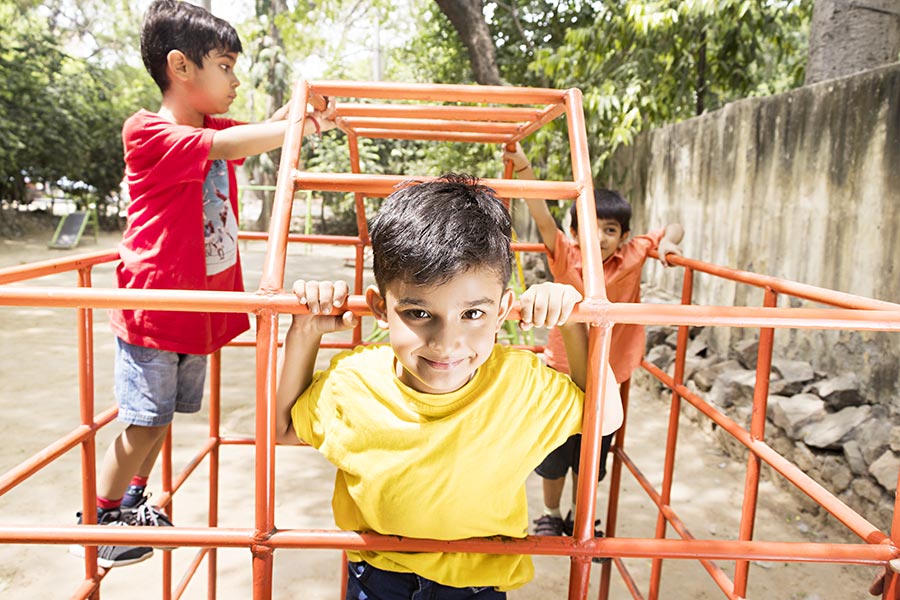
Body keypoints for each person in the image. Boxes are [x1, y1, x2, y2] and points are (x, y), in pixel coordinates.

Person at [70, 0, 337, 569]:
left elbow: (257, 132)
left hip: (195, 309)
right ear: (181, 67)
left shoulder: (212, 126)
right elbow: (240, 145)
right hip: (156, 306)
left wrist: (304, 110)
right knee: (142, 421)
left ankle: (133, 501)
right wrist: (297, 125)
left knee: (163, 418)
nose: (236, 80)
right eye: (226, 66)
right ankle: (100, 519)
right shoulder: (148, 131)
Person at [275, 174, 624, 599]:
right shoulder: (355, 382)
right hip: (379, 577)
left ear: (502, 312)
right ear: (381, 308)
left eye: (473, 314)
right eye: (419, 313)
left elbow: (605, 417)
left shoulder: (519, 383)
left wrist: (573, 321)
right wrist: (304, 334)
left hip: (477, 586)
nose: (445, 343)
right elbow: (285, 430)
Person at [503, 144, 684, 539]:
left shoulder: (635, 254)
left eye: (610, 230)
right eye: (590, 227)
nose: (599, 237)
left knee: (592, 456)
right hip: (563, 373)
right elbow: (541, 214)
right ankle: (551, 514)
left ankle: (580, 517)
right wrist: (526, 169)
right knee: (554, 453)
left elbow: (672, 227)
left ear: (624, 236)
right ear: (573, 232)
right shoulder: (565, 256)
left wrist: (667, 245)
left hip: (609, 376)